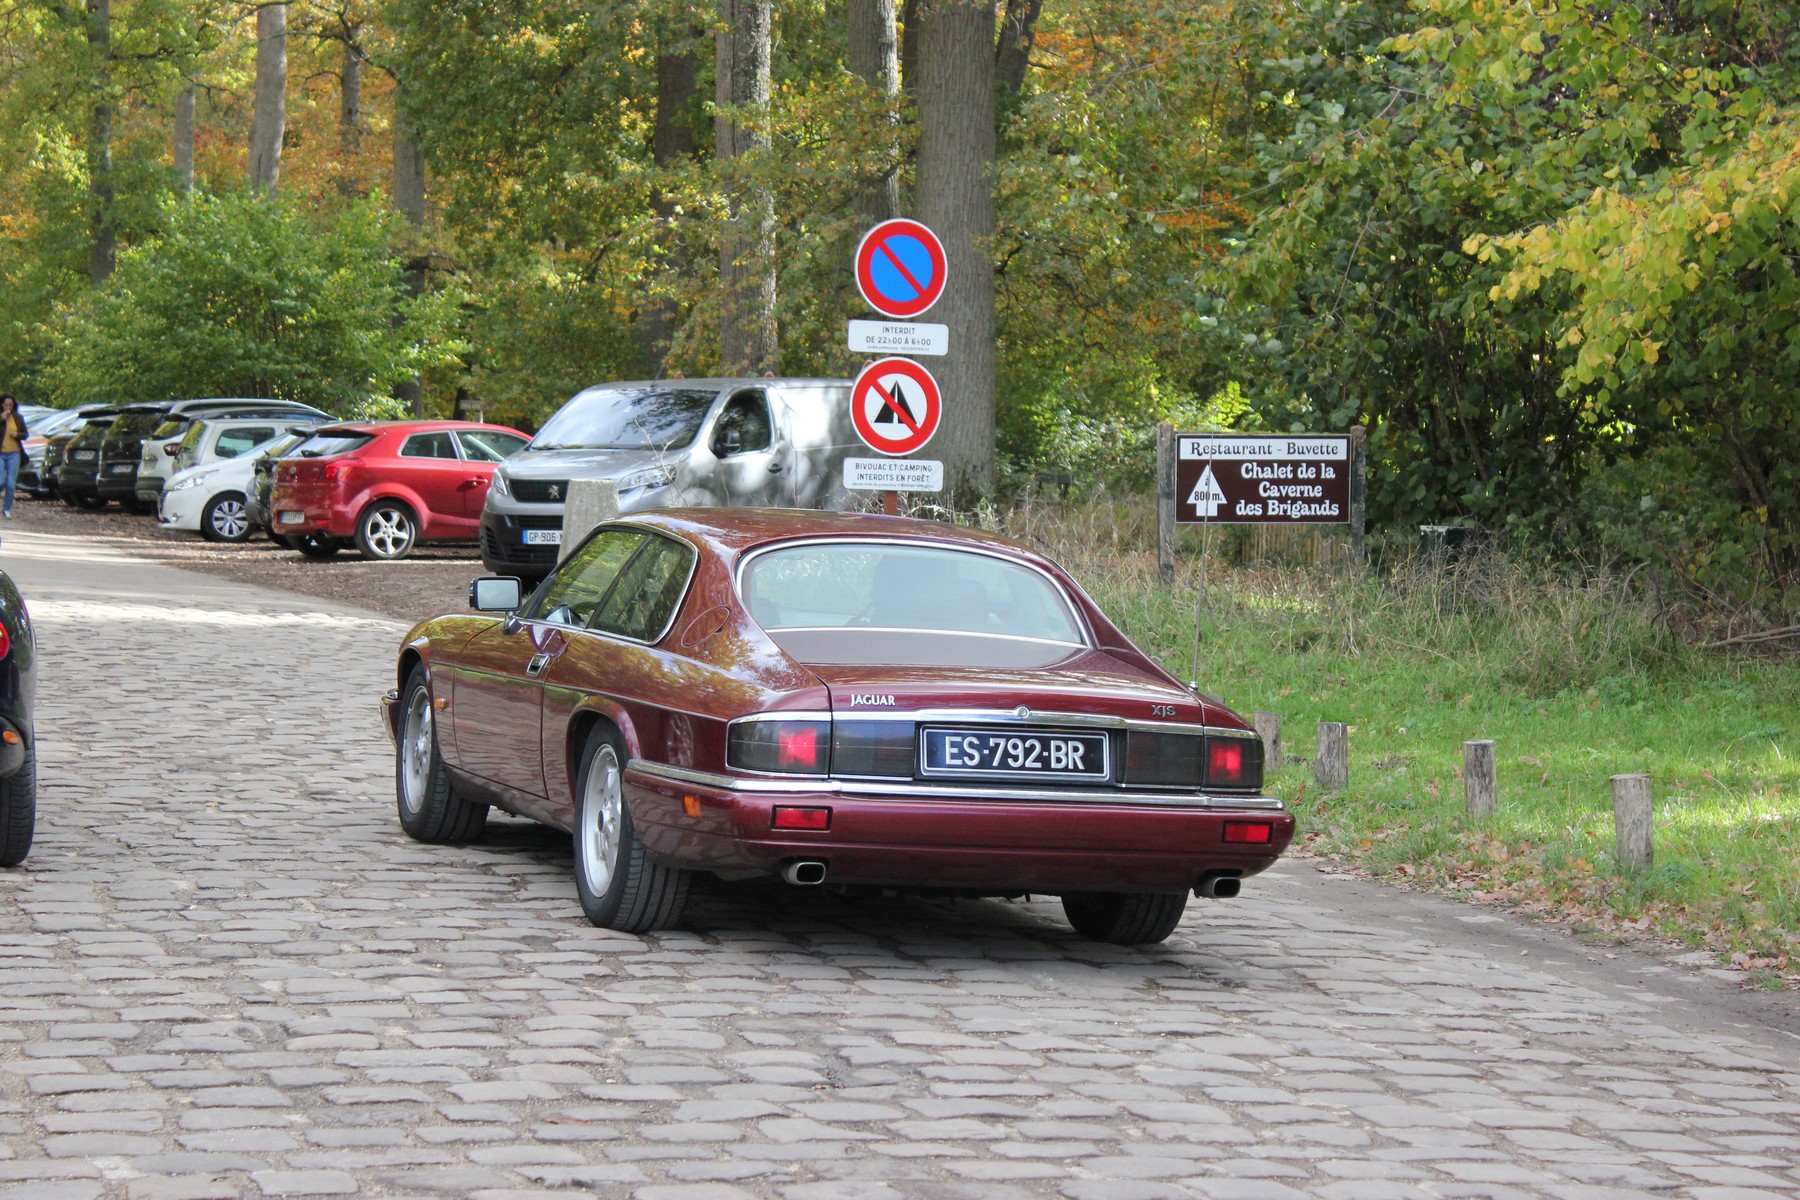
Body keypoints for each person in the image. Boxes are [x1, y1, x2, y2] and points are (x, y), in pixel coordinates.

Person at [0, 394, 28, 518]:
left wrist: (17, 434)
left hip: (14, 453)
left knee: (11, 483)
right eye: (6, 405)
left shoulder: (18, 417)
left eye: (10, 405)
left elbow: (25, 434)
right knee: (0, 481)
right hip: (1, 453)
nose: (8, 407)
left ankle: (6, 509)